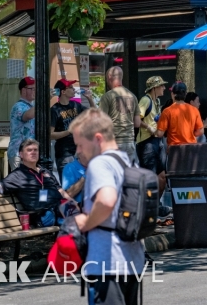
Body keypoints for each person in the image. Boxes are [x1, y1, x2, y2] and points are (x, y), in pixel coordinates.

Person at [70, 108, 146, 305]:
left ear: (97, 138)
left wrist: (85, 222)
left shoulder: (100, 164)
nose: (78, 150)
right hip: (132, 261)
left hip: (106, 262)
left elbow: (106, 200)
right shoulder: (126, 161)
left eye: (80, 144)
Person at [2, 138, 68, 227]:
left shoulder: (45, 171)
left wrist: (74, 203)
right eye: (29, 150)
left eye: (35, 150)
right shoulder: (17, 175)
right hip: (44, 215)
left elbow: (59, 189)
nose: (33, 152)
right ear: (21, 154)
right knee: (77, 225)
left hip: (61, 209)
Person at [98, 66, 141, 165]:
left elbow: (101, 123)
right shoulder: (132, 96)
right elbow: (137, 123)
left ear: (109, 77)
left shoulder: (107, 96)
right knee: (129, 176)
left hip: (113, 143)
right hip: (130, 142)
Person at [136, 75, 168, 190]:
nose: (164, 88)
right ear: (154, 88)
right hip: (147, 144)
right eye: (161, 85)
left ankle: (157, 206)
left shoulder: (157, 102)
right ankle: (148, 206)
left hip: (157, 142)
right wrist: (149, 127)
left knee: (162, 176)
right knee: (150, 178)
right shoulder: (145, 100)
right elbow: (137, 120)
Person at [51, 78, 88, 170]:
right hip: (65, 154)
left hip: (79, 152)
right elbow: (50, 135)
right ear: (63, 92)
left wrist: (90, 99)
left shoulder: (75, 105)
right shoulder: (54, 110)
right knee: (68, 184)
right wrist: (69, 131)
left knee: (80, 183)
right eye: (70, 87)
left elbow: (94, 114)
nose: (74, 89)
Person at [156, 81, 204, 147]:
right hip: (191, 148)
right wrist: (190, 134)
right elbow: (200, 131)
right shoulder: (194, 110)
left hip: (174, 149)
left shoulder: (167, 111)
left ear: (172, 94)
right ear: (185, 94)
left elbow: (159, 134)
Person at [8, 76, 36, 171]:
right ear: (23, 90)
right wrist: (43, 99)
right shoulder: (18, 106)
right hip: (18, 153)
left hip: (30, 153)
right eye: (32, 89)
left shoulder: (31, 106)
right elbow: (27, 115)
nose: (35, 91)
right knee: (20, 183)